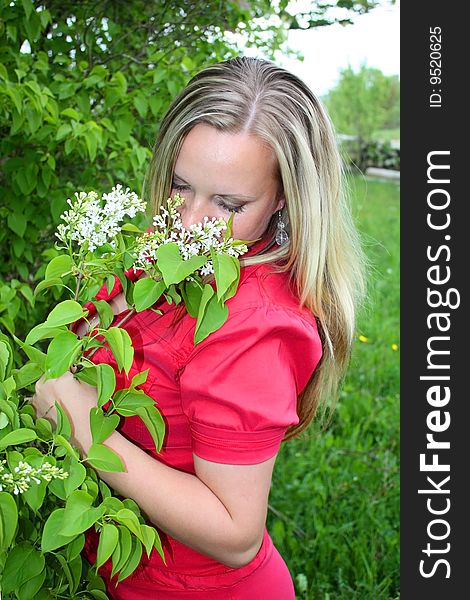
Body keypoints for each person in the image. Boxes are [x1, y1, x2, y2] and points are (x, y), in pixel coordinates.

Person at [33, 56, 365, 599]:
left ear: (284, 199)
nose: (189, 222)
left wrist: (85, 429)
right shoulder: (173, 254)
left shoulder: (254, 328)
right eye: (180, 186)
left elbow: (236, 535)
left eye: (229, 203)